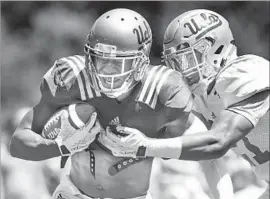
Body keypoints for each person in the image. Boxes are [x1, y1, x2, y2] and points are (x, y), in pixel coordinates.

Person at [9, 8, 217, 199]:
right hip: (74, 193)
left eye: (118, 62)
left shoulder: (163, 90)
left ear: (141, 62)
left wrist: (147, 146)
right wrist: (60, 146)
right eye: (101, 59)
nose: (107, 70)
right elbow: (18, 143)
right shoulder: (71, 80)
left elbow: (210, 146)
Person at [100, 9, 269, 198]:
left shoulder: (243, 71)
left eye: (187, 59)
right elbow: (209, 158)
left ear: (214, 48)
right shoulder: (203, 97)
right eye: (175, 63)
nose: (180, 70)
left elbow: (219, 141)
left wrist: (145, 146)